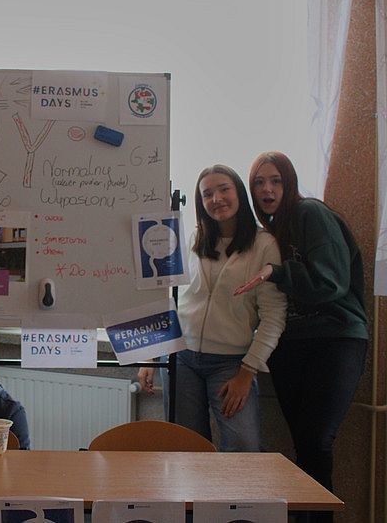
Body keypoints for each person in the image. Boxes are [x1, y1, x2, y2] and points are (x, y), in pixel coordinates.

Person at [236, 151, 367, 506]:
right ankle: (308, 512)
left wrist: (277, 272)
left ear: (289, 183)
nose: (267, 189)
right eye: (259, 182)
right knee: (304, 443)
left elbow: (330, 282)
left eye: (276, 180)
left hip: (335, 337)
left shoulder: (310, 212)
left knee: (316, 440)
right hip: (290, 342)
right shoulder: (270, 232)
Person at [138, 165, 286, 451]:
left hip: (231, 364)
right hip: (181, 358)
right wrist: (151, 355)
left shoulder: (264, 244)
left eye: (224, 189)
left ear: (239, 192)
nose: (216, 199)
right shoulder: (192, 239)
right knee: (186, 448)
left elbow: (274, 317)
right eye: (207, 194)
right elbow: (170, 298)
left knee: (244, 447)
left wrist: (247, 372)